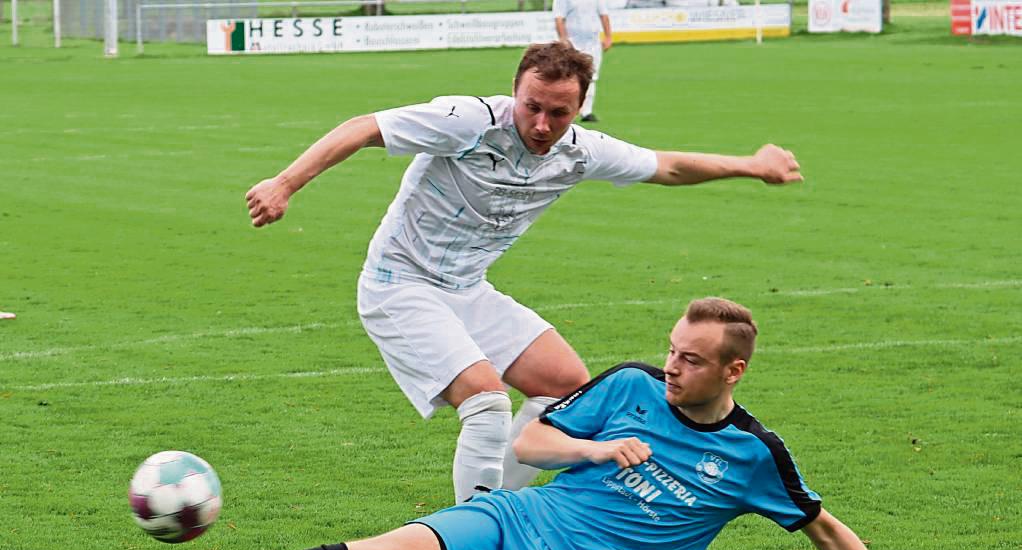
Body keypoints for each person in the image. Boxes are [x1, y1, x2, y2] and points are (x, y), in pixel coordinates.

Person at [129, 297, 985, 550]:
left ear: (734, 373)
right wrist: (593, 451)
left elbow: (825, 527)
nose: (671, 367)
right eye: (672, 350)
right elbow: (532, 442)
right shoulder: (627, 387)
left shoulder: (754, 456)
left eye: (691, 361)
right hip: (521, 522)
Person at [245, 42, 803, 504]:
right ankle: (468, 539)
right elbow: (364, 127)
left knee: (565, 389)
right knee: (486, 403)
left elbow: (669, 166)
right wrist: (284, 183)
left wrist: (752, 166)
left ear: (581, 107)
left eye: (558, 113)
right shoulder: (467, 121)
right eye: (531, 106)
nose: (541, 123)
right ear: (515, 91)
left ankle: (500, 509)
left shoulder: (582, 151)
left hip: (467, 289)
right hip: (400, 284)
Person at [553, 0, 612, 122]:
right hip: (572, 43)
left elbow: (604, 15)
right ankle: (565, 108)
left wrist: (608, 37)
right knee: (569, 76)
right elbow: (559, 19)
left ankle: (587, 112)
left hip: (593, 43)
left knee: (591, 76)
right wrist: (563, 39)